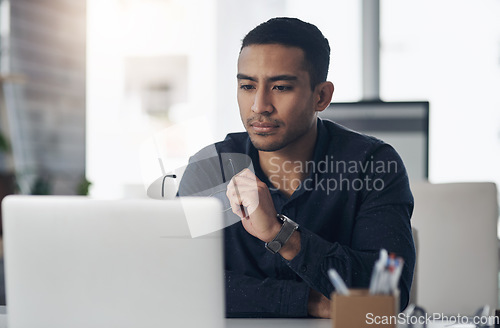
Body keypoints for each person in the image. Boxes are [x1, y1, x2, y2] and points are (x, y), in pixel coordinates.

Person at [178, 17, 415, 318]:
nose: (259, 106)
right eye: (247, 86)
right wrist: (310, 302)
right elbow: (180, 283)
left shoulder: (373, 165)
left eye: (280, 87)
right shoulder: (210, 168)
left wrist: (281, 235)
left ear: (321, 97)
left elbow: (387, 296)